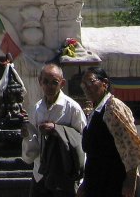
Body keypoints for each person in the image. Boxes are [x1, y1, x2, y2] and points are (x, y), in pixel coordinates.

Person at [77, 66, 140, 197]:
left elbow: (131, 145)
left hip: (116, 180)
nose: (86, 88)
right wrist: (85, 183)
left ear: (104, 83)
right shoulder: (95, 112)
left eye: (90, 82)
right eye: (83, 85)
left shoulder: (113, 107)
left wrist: (130, 182)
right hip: (98, 182)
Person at [22, 62, 87, 197]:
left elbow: (83, 140)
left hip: (64, 174)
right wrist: (26, 133)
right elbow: (33, 146)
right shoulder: (36, 109)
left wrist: (57, 130)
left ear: (62, 83)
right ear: (40, 82)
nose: (49, 86)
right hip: (40, 174)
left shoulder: (72, 108)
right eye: (45, 82)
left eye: (54, 82)